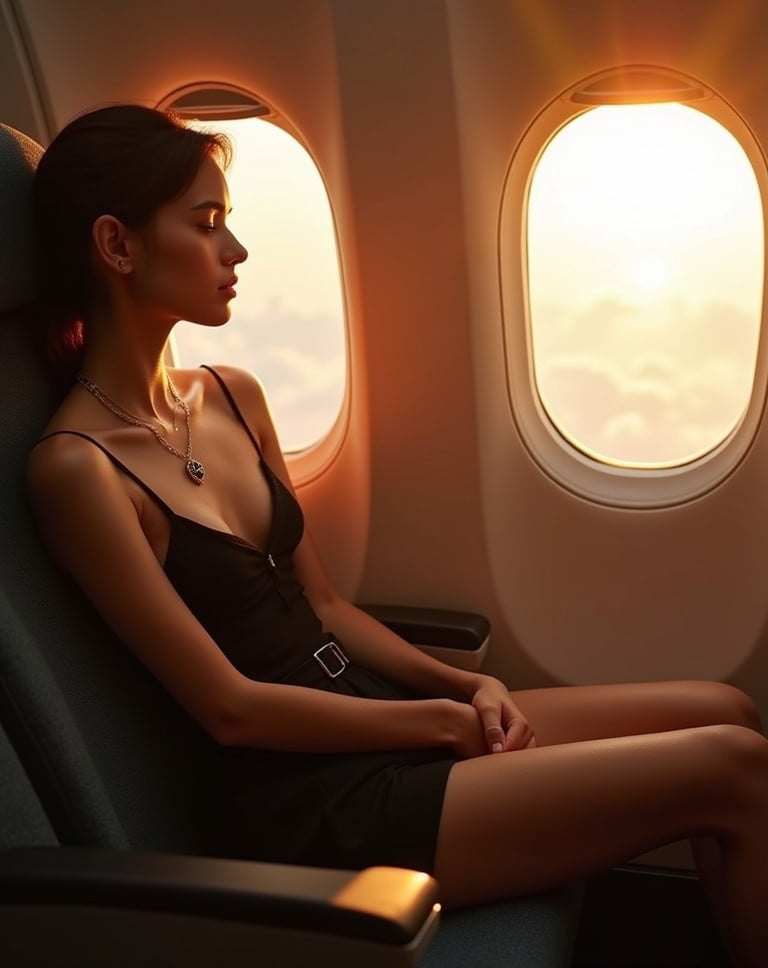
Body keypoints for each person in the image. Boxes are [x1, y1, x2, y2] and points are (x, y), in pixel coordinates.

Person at [26, 104, 768, 966]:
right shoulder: (76, 471)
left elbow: (329, 607)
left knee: (729, 711)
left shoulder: (231, 393)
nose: (236, 252)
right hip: (311, 806)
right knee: (732, 772)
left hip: (376, 719)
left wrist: (462, 689)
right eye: (208, 224)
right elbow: (229, 711)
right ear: (117, 246)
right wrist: (436, 725)